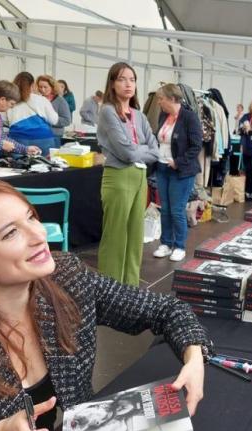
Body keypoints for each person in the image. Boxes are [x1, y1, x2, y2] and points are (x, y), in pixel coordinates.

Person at [0, 178, 210, 431]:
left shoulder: (67, 279)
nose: (39, 235)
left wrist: (194, 357)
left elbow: (166, 309)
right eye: (10, 233)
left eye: (31, 217)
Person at [97, 62, 158, 286]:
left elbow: (155, 150)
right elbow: (126, 152)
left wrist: (137, 151)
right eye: (122, 79)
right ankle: (110, 289)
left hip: (139, 178)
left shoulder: (139, 115)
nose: (128, 84)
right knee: (115, 236)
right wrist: (140, 151)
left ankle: (131, 289)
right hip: (118, 176)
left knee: (135, 236)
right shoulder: (107, 111)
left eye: (132, 79)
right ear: (112, 84)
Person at [152, 83, 203, 263]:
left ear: (172, 99)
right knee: (164, 208)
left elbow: (196, 146)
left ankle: (179, 246)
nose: (159, 102)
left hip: (181, 171)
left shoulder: (190, 118)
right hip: (162, 168)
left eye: (161, 99)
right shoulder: (163, 115)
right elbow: (158, 138)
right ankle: (165, 243)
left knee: (177, 210)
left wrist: (178, 162)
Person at [0, 80, 40, 161]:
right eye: (11, 104)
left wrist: (25, 149)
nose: (11, 108)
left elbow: (2, 137)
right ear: (2, 99)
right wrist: (0, 145)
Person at [6, 72, 59, 156]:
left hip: (18, 140)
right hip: (43, 139)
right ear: (32, 85)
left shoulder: (10, 100)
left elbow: (4, 121)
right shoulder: (41, 100)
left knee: (19, 166)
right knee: (46, 166)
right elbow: (54, 120)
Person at [37, 75, 72, 148]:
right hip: (40, 136)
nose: (42, 89)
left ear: (52, 87)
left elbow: (67, 120)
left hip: (54, 136)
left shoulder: (61, 101)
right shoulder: (38, 100)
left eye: (45, 87)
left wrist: (50, 120)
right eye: (40, 87)